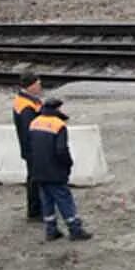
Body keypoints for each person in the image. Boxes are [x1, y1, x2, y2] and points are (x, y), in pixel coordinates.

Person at [27, 98, 92, 241]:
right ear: (57, 109)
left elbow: (30, 146)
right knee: (64, 199)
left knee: (47, 200)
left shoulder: (34, 123)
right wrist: (68, 164)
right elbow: (61, 150)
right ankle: (75, 229)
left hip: (38, 170)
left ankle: (51, 230)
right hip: (54, 171)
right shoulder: (58, 125)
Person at [12, 73, 44, 222]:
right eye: (38, 84)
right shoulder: (26, 107)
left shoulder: (25, 101)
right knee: (35, 179)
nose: (40, 87)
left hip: (31, 148)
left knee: (34, 178)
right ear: (31, 86)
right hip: (33, 149)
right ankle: (35, 211)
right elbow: (30, 130)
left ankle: (37, 209)